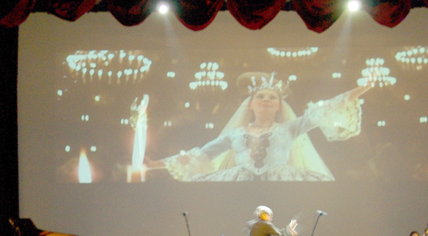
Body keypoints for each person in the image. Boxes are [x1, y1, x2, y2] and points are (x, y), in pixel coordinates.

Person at [147, 72, 372, 181]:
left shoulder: (289, 128)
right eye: (261, 96)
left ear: (278, 106)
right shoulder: (236, 134)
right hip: (240, 182)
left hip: (281, 181)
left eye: (272, 97)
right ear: (251, 105)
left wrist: (362, 89)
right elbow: (200, 153)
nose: (266, 100)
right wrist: (156, 164)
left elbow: (325, 109)